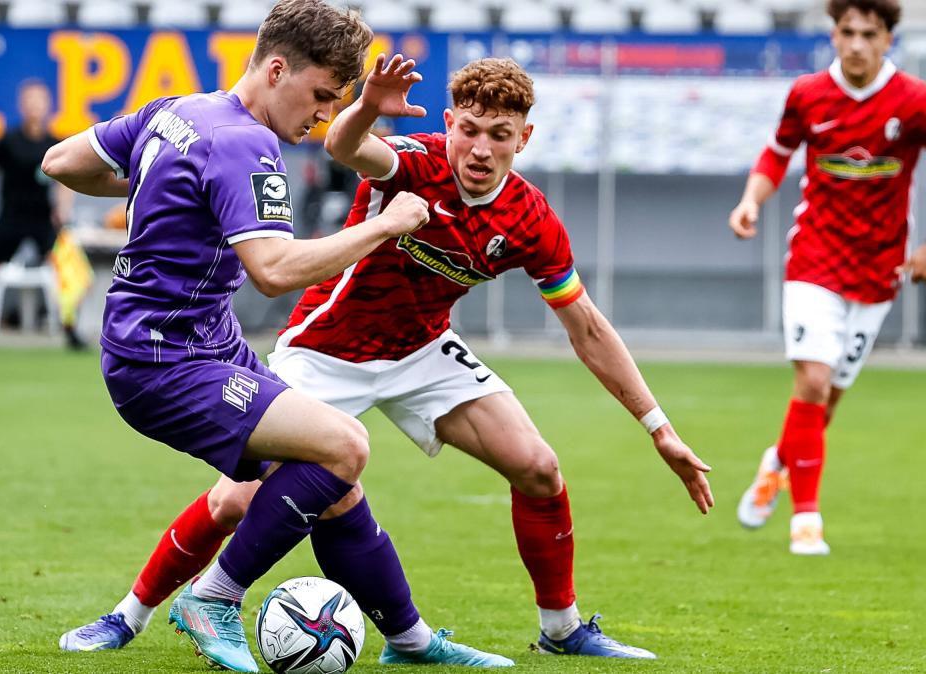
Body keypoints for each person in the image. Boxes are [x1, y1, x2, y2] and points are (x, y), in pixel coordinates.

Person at [59, 56, 716, 661]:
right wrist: (370, 105)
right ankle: (129, 615)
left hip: (422, 350)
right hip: (327, 347)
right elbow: (344, 144)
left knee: (539, 468)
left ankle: (562, 631)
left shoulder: (530, 220)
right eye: (471, 130)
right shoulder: (413, 163)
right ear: (450, 124)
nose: (481, 149)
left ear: (526, 138)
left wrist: (660, 428)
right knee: (237, 498)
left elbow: (588, 328)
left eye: (501, 135)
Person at [41, 1, 511, 670]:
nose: (322, 115)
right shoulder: (245, 143)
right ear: (278, 67)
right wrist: (385, 225)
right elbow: (274, 271)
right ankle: (215, 598)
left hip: (194, 341)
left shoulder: (177, 111)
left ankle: (409, 643)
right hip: (165, 360)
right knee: (345, 445)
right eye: (320, 95)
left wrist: (160, 177)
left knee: (328, 483)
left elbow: (63, 161)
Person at [731, 0, 926, 555]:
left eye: (870, 33)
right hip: (814, 258)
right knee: (812, 381)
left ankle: (778, 462)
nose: (857, 43)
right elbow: (776, 154)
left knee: (828, 400)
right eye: (847, 32)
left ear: (889, 38)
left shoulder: (913, 101)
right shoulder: (808, 93)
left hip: (878, 270)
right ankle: (806, 520)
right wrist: (751, 201)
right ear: (834, 34)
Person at [0, 79, 83, 350]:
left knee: (66, 274)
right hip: (11, 217)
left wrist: (63, 208)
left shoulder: (54, 143)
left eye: (40, 101)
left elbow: (66, 178)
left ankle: (71, 334)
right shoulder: (9, 140)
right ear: (22, 105)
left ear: (48, 105)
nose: (35, 106)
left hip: (42, 219)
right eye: (30, 101)